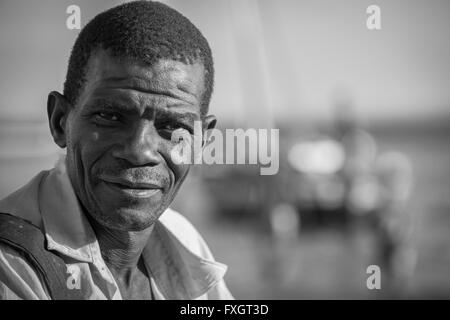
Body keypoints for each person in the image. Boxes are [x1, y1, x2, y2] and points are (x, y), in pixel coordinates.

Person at [0, 0, 233, 300]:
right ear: (61, 122)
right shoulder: (12, 266)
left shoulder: (181, 238)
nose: (139, 151)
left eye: (173, 127)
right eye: (110, 117)